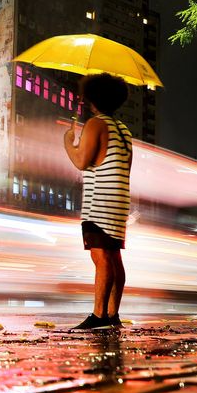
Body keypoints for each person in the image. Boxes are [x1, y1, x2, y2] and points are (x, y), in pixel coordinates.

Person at [63, 73, 132, 329]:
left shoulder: (96, 124)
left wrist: (68, 143)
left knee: (100, 257)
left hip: (99, 202)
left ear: (93, 98)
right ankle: (113, 315)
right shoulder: (123, 130)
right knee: (114, 258)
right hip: (119, 198)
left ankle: (99, 316)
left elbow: (81, 161)